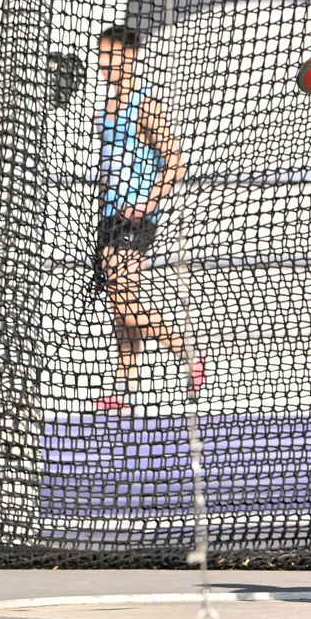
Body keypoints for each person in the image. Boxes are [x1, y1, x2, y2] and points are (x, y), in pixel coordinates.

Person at [93, 25, 204, 410]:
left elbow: (175, 162)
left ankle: (187, 352)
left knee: (126, 305)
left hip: (134, 218)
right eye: (100, 55)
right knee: (120, 306)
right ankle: (125, 386)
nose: (103, 63)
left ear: (131, 56)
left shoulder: (145, 105)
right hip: (110, 216)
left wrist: (146, 203)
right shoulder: (107, 108)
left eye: (111, 55)